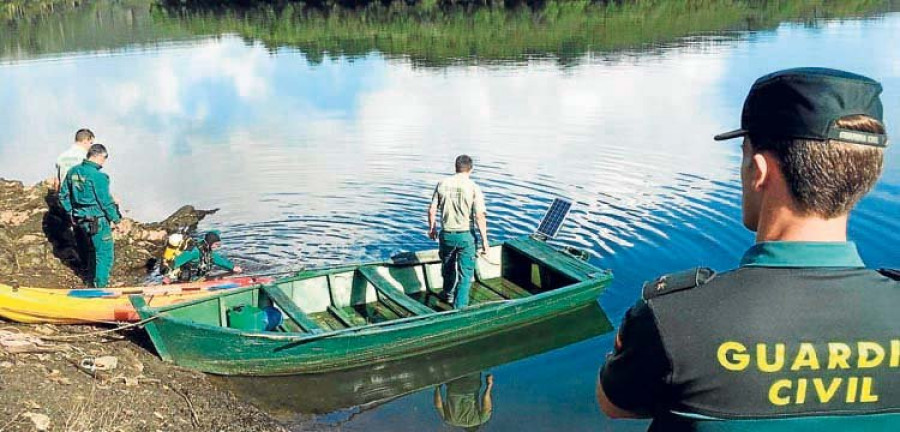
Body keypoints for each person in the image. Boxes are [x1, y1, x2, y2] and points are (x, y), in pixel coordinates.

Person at [597, 67, 900, 430]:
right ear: (866, 175)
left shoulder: (673, 317)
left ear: (759, 171)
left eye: (742, 154)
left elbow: (615, 404)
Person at [428, 155, 490, 309]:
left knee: (447, 266)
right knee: (466, 274)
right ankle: (460, 307)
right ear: (471, 169)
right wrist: (485, 242)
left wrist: (432, 228)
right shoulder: (474, 187)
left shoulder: (442, 184)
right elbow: (479, 216)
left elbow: (431, 210)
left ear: (455, 167)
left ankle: (447, 294)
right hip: (465, 236)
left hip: (447, 234)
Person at [59, 144, 122, 288]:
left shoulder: (73, 172)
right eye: (104, 159)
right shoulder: (99, 176)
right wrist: (116, 220)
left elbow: (63, 196)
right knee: (104, 253)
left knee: (89, 250)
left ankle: (89, 280)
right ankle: (100, 286)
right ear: (98, 156)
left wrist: (71, 213)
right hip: (97, 220)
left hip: (80, 219)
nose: (104, 163)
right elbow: (104, 201)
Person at [162, 231, 242, 283]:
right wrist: (167, 276)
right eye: (216, 244)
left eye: (218, 245)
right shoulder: (194, 251)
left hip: (199, 276)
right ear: (210, 243)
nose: (217, 247)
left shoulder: (208, 251)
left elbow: (218, 260)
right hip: (187, 277)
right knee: (185, 275)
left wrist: (232, 267)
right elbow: (176, 262)